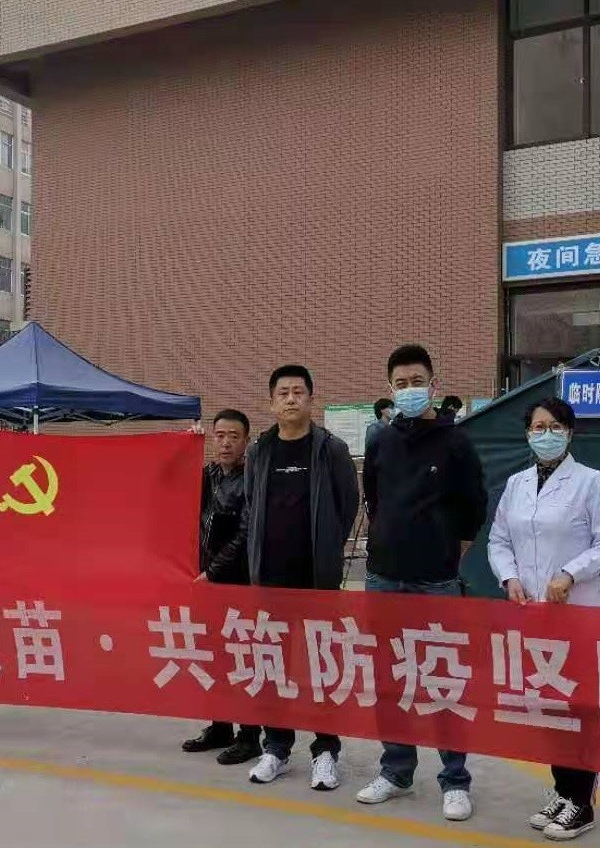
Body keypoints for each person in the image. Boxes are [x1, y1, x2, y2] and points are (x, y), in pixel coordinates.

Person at [487, 396, 600, 841]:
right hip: (533, 614)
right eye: (538, 427)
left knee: (579, 705)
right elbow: (498, 540)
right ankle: (563, 790)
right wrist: (509, 577)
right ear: (527, 434)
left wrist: (570, 573)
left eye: (554, 427)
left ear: (569, 432)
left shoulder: (590, 482)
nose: (545, 435)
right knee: (548, 702)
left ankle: (582, 801)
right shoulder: (517, 484)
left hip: (577, 611)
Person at [356, 345, 486, 822]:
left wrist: (448, 550)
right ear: (389, 389)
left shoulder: (456, 442)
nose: (409, 390)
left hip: (436, 581)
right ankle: (396, 770)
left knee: (442, 678)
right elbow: (373, 498)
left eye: (417, 382)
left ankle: (455, 779)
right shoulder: (380, 440)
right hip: (383, 577)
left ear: (434, 385)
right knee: (389, 678)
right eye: (401, 383)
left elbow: (474, 507)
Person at [242, 364, 359, 792]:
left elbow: (348, 506)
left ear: (311, 399)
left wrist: (327, 549)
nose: (291, 399)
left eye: (298, 392)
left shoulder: (331, 450)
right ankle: (275, 747)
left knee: (320, 669)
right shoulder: (259, 452)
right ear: (271, 402)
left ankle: (325, 751)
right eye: (283, 393)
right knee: (272, 665)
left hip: (315, 581)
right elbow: (252, 505)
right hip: (270, 581)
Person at [183, 409, 262, 766]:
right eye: (219, 435)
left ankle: (250, 735)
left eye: (234, 436)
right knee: (213, 657)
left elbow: (245, 534)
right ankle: (220, 726)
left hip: (237, 583)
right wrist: (185, 446)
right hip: (206, 583)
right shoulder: (209, 475)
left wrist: (212, 571)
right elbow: (173, 488)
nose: (226, 442)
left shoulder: (251, 480)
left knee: (242, 659)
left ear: (246, 441)